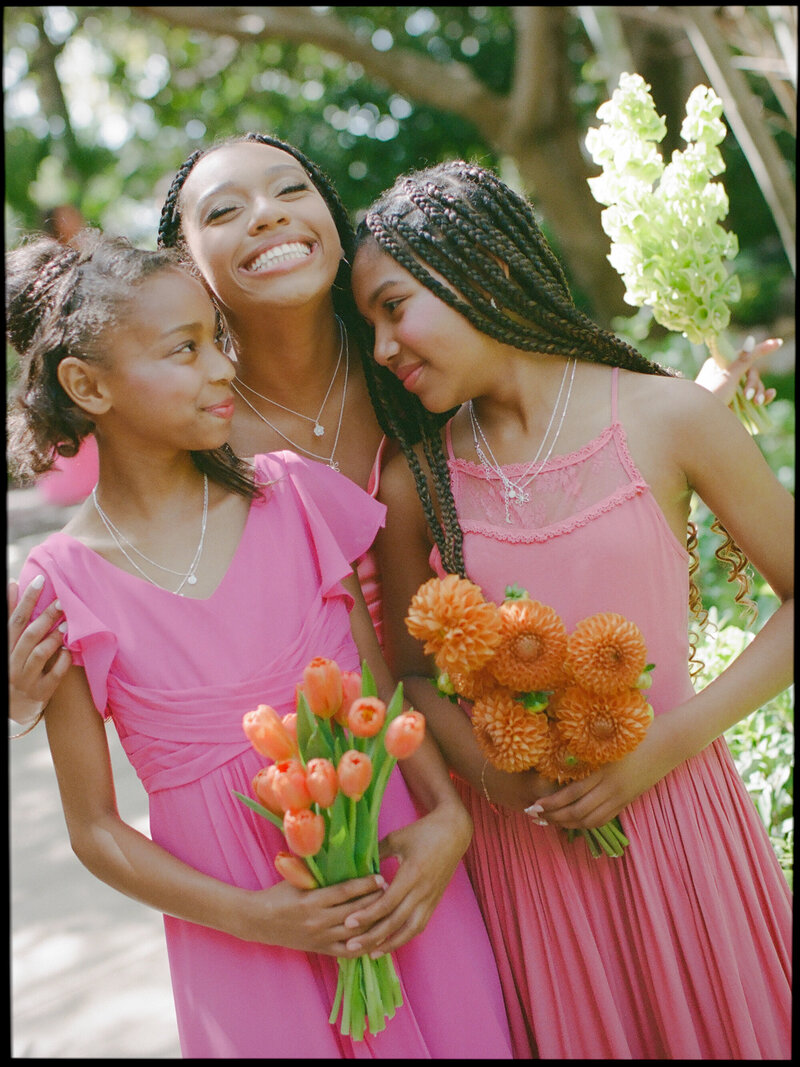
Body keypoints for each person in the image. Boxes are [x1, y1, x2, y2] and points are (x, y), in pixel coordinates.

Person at [8, 130, 779, 729]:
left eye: (289, 189)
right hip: (329, 784)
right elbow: (149, 608)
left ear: (335, 224)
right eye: (222, 210)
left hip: (506, 746)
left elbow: (551, 455)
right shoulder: (189, 427)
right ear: (185, 266)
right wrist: (21, 699)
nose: (266, 212)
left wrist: (683, 408)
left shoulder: (417, 369)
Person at [6, 230, 514, 1058]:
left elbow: (380, 687)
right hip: (243, 938)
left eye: (219, 341)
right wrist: (254, 916)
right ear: (86, 385)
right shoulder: (62, 585)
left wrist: (446, 816)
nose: (220, 369)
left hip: (399, 888)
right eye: (186, 349)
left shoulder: (291, 494)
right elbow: (94, 827)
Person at [348, 160, 792, 1059]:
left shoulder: (669, 416)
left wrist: (673, 739)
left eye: (394, 307)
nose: (384, 346)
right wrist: (499, 776)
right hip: (529, 860)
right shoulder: (413, 480)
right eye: (369, 327)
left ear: (486, 269)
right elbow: (412, 676)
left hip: (684, 825)